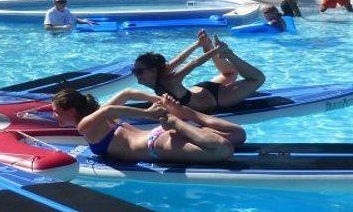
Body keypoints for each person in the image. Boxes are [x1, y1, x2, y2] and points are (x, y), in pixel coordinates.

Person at [51, 89, 242, 164]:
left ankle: (176, 120)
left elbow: (108, 110)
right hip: (158, 135)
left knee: (223, 150)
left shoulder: (85, 125)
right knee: (237, 134)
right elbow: (127, 93)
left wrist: (149, 113)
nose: (54, 115)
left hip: (154, 147)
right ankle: (184, 113)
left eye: (57, 111)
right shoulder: (97, 119)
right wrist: (158, 100)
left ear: (72, 111)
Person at [119, 32, 265, 113]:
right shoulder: (163, 73)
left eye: (138, 71)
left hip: (216, 99)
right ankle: (216, 50)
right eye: (134, 70)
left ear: (152, 71)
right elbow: (180, 58)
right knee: (230, 74)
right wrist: (197, 44)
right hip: (202, 90)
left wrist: (216, 50)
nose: (135, 74)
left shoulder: (170, 80)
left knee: (258, 78)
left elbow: (193, 63)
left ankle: (227, 53)